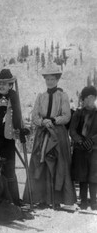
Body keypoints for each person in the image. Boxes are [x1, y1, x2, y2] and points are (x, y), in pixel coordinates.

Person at [26, 64, 75, 208]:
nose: (50, 82)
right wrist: (42, 122)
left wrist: (53, 120)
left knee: (59, 164)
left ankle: (59, 199)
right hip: (42, 133)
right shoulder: (41, 97)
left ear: (57, 79)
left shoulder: (62, 95)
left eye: (52, 79)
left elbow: (66, 116)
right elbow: (34, 115)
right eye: (47, 79)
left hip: (57, 134)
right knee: (40, 163)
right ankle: (41, 198)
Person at [0, 69, 22, 205]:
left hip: (8, 139)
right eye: (0, 83)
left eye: (5, 84)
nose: (1, 86)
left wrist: (20, 130)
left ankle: (12, 200)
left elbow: (18, 115)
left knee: (9, 169)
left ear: (10, 85)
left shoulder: (13, 97)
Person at [69, 86, 97, 210]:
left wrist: (92, 140)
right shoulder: (78, 113)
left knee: (94, 175)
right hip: (80, 149)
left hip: (94, 149)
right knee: (82, 175)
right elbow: (72, 130)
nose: (89, 101)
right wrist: (80, 141)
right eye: (87, 98)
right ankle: (84, 201)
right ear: (83, 99)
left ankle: (94, 201)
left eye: (92, 98)